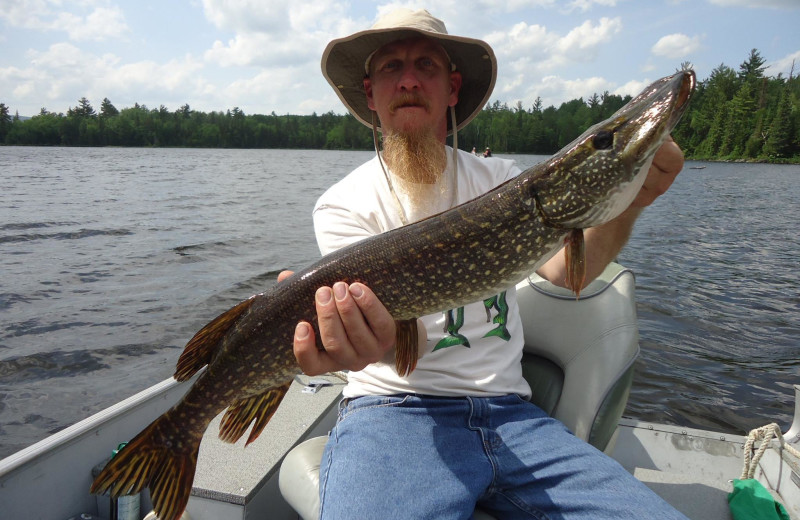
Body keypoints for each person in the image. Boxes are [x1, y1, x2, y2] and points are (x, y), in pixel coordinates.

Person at [281, 8, 688, 519]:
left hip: (516, 419)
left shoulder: (503, 178)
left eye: (425, 65)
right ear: (371, 93)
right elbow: (392, 349)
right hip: (395, 414)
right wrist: (369, 343)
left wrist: (633, 199)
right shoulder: (342, 204)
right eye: (391, 67)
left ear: (452, 88)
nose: (408, 80)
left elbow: (571, 272)